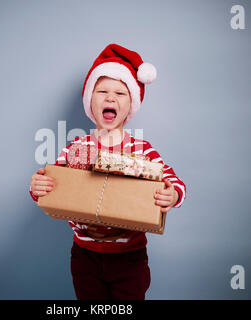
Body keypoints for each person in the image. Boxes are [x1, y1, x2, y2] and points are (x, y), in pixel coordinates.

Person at [29, 43, 187, 300]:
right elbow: (50, 186)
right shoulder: (76, 149)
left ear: (131, 106)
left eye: (120, 93)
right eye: (102, 91)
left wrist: (173, 195)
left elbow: (174, 182)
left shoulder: (141, 150)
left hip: (130, 257)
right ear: (90, 101)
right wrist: (38, 188)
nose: (110, 98)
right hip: (85, 256)